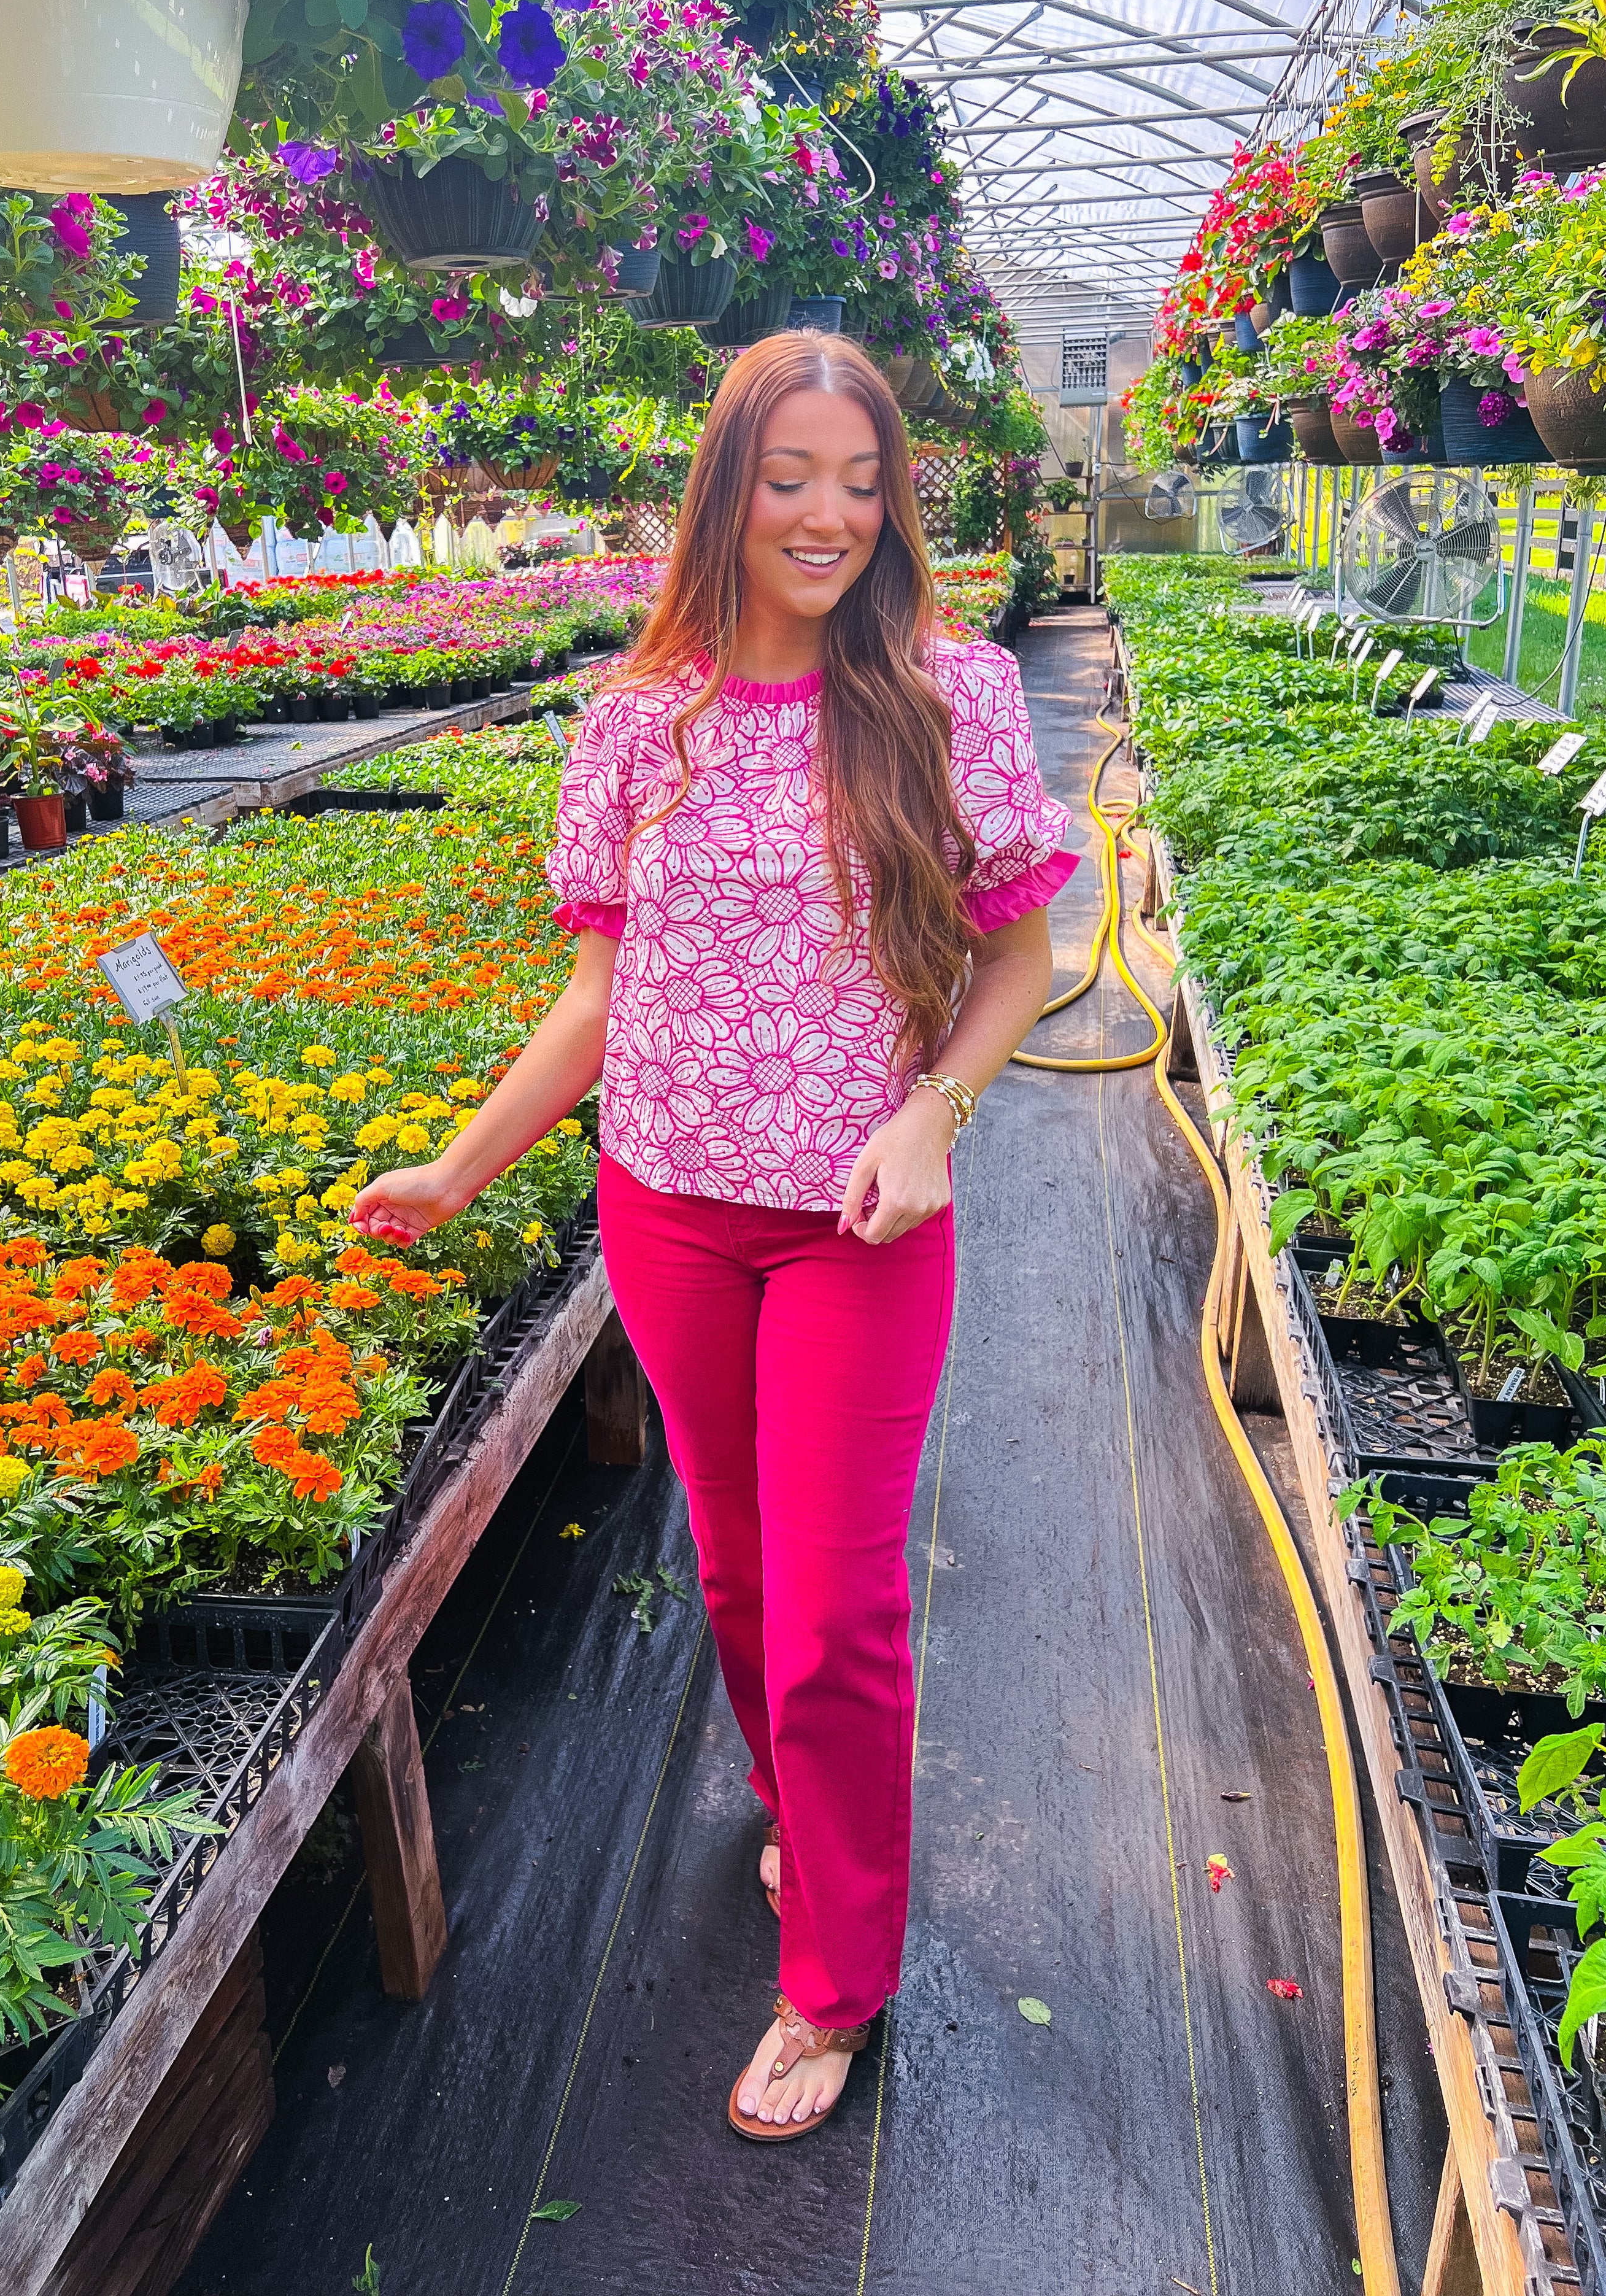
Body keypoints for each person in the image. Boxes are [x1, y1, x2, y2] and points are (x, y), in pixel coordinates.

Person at [350, 333, 1075, 2144]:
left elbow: (1024, 954)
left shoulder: (946, 691)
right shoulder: (631, 722)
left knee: (839, 1612)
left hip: (854, 1220)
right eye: (790, 477)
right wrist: (457, 1168)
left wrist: (936, 1109)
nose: (830, 514)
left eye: (861, 479)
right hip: (666, 1210)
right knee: (744, 1588)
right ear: (727, 491)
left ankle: (836, 1979)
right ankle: (802, 1820)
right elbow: (602, 997)